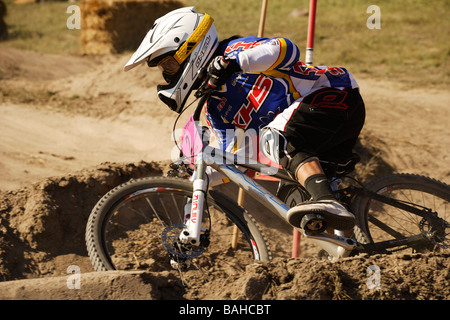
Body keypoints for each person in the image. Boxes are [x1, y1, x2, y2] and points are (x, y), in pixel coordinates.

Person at [124, 7, 365, 233]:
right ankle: (350, 244)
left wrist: (235, 64)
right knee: (295, 199)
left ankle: (327, 201)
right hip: (316, 128)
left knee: (276, 139)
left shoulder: (232, 50)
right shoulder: (215, 109)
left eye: (168, 63)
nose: (167, 73)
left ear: (190, 46)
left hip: (334, 95)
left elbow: (286, 49)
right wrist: (200, 173)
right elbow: (239, 161)